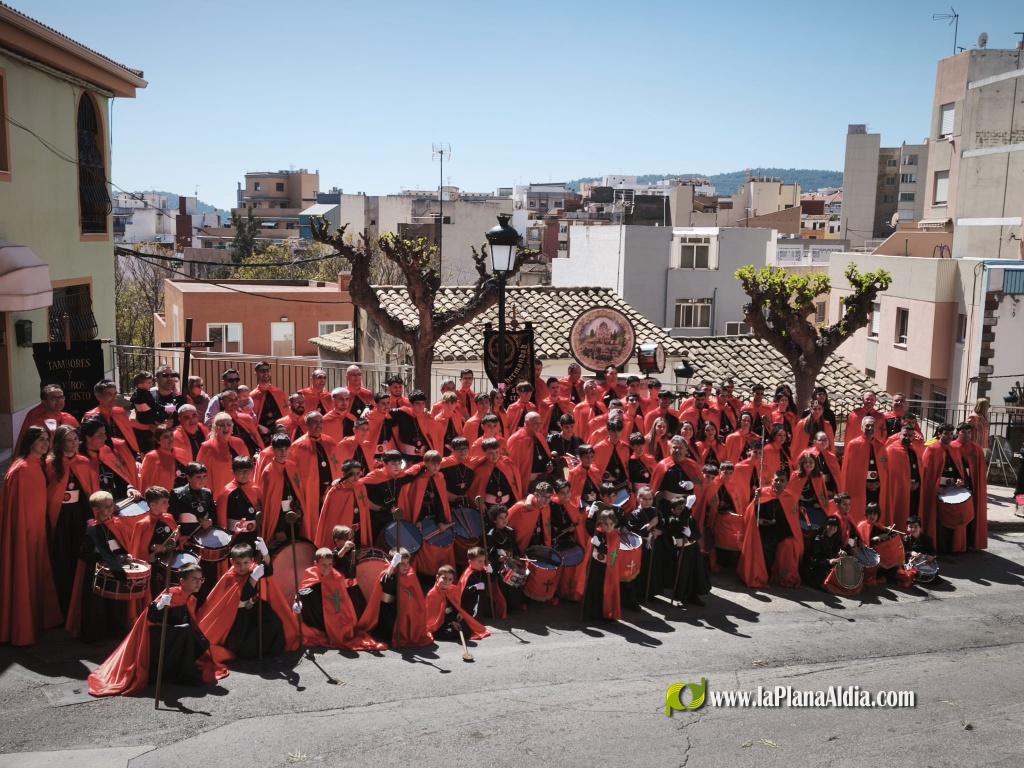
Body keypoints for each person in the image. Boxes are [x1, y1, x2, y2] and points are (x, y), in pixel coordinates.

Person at [87, 563, 227, 697]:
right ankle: (185, 674)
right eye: (194, 579)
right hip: (157, 637)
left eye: (200, 579)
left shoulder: (190, 599)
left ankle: (180, 669)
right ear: (182, 581)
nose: (199, 583)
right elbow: (152, 617)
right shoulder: (171, 593)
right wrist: (159, 606)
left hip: (173, 635)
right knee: (186, 631)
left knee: (197, 638)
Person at [1, 426, 62, 646]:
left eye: (47, 439)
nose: (45, 443)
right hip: (25, 535)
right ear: (30, 442)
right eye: (40, 439)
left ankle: (35, 621)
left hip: (35, 532)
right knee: (24, 574)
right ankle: (22, 628)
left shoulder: (35, 465)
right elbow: (19, 513)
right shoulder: (23, 470)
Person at [198, 542, 297, 661]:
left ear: (252, 560)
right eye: (238, 563)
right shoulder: (230, 577)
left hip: (255, 607)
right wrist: (253, 579)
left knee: (273, 622)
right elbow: (243, 597)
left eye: (246, 563)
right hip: (239, 614)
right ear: (231, 561)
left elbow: (269, 571)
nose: (242, 567)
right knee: (243, 645)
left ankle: (271, 652)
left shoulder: (254, 568)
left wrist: (265, 554)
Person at [64, 491, 134, 641]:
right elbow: (83, 552)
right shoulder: (90, 529)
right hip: (95, 570)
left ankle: (116, 631)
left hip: (114, 568)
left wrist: (124, 556)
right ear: (96, 509)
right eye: (106, 507)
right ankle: (95, 636)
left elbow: (122, 545)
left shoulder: (117, 524)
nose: (111, 509)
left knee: (116, 604)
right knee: (95, 606)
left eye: (111, 506)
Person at [46, 424, 94, 614]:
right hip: (60, 517)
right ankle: (61, 604)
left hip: (78, 515)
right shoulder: (51, 463)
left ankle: (77, 604)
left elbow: (90, 491)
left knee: (77, 558)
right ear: (59, 442)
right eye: (69, 440)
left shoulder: (83, 462)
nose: (74, 443)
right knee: (60, 558)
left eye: (76, 439)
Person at [737, 470, 801, 589]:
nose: (778, 483)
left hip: (781, 530)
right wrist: (756, 501)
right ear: (772, 481)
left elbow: (792, 521)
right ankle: (763, 575)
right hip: (763, 529)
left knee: (790, 544)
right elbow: (750, 512)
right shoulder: (763, 493)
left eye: (782, 481)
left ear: (786, 483)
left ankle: (781, 576)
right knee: (766, 546)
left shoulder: (790, 498)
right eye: (776, 480)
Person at [360, 548, 431, 648]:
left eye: (408, 563)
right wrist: (392, 566)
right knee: (387, 634)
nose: (406, 566)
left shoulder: (410, 575)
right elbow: (385, 581)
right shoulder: (389, 574)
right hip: (388, 612)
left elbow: (416, 597)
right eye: (402, 564)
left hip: (402, 612)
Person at [400, 451, 455, 578]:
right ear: (426, 464)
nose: (436, 467)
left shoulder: (440, 478)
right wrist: (418, 520)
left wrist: (441, 521)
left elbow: (441, 502)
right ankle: (422, 574)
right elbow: (416, 502)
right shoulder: (418, 480)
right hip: (422, 519)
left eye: (438, 464)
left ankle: (439, 573)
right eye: (432, 464)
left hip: (436, 518)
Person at [170, 463, 218, 603]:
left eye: (204, 477)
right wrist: (179, 537)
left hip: (203, 544)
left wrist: (210, 521)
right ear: (188, 478)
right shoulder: (177, 494)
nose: (202, 480)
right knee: (189, 579)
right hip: (186, 544)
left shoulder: (208, 493)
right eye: (198, 477)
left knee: (205, 578)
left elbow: (214, 517)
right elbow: (171, 519)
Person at [921, 424, 971, 554]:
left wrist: (960, 480)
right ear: (939, 434)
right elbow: (927, 475)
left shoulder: (954, 449)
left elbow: (958, 470)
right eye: (946, 434)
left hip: (952, 490)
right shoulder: (931, 450)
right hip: (938, 491)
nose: (949, 436)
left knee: (952, 520)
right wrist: (935, 488)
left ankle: (951, 548)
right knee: (938, 522)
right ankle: (939, 548)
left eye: (950, 434)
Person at [656, 495, 710, 607]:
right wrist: (687, 509)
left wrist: (691, 535)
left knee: (695, 572)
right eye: (679, 508)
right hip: (681, 551)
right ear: (673, 510)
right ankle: (680, 597)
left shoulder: (690, 519)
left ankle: (693, 596)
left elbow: (698, 534)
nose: (683, 510)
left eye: (683, 507)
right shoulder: (672, 520)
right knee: (682, 574)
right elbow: (678, 524)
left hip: (693, 549)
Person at [841, 416, 890, 527]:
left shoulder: (881, 446)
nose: (870, 428)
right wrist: (864, 483)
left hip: (877, 489)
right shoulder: (853, 445)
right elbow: (850, 472)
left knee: (876, 514)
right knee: (860, 515)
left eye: (872, 425)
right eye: (867, 425)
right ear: (861, 427)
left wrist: (880, 482)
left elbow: (884, 471)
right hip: (859, 490)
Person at [259, 434, 307, 546]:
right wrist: (278, 528)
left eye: (286, 449)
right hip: (279, 520)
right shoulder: (269, 471)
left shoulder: (292, 466)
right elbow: (271, 504)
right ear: (273, 450)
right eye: (279, 449)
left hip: (295, 516)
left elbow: (298, 492)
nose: (283, 452)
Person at [425, 564, 490, 642]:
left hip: (453, 618)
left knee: (467, 629)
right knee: (449, 633)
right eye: (444, 578)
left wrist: (459, 613)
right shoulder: (432, 594)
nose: (447, 582)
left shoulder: (452, 589)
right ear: (437, 577)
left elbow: (457, 605)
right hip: (441, 624)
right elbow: (433, 618)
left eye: (450, 579)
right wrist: (451, 623)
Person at [316, 461, 372, 548]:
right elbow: (331, 517)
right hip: (343, 530)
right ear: (344, 474)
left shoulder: (361, 487)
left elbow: (364, 508)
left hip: (359, 528)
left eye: (358, 474)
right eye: (352, 474)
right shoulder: (336, 490)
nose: (356, 477)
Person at [580, 508, 622, 622]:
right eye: (605, 524)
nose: (608, 527)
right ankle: (589, 613)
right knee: (593, 588)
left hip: (606, 568)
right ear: (601, 523)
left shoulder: (615, 537)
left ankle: (603, 613)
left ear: (614, 523)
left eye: (611, 524)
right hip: (595, 565)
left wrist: (598, 544)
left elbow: (608, 550)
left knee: (603, 590)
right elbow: (589, 528)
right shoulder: (598, 532)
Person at [886, 421, 926, 532]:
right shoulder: (892, 450)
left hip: (914, 490)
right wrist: (905, 484)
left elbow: (918, 469)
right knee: (900, 514)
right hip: (899, 492)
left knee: (913, 514)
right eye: (905, 435)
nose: (907, 437)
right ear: (900, 434)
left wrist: (918, 482)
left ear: (913, 436)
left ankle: (912, 537)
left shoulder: (914, 450)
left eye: (910, 435)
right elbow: (893, 474)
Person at [954, 422, 988, 550]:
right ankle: (959, 542)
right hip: (957, 486)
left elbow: (980, 470)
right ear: (958, 432)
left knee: (972, 512)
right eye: (964, 432)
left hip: (972, 485)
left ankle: (971, 541)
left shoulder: (976, 448)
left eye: (969, 433)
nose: (967, 435)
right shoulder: (953, 447)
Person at [86, 379, 141, 456]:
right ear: (99, 397)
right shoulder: (91, 417)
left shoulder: (120, 412)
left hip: (126, 456)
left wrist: (136, 455)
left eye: (115, 394)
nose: (114, 397)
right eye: (109, 394)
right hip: (105, 458)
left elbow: (129, 435)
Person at [800, 517, 855, 593]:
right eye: (830, 525)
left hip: (829, 567)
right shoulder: (818, 539)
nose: (833, 528)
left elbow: (840, 550)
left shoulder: (837, 540)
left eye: (835, 526)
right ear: (826, 526)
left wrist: (841, 552)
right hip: (816, 568)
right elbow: (815, 560)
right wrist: (829, 561)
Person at [486, 505, 524, 613]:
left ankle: (516, 605)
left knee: (516, 580)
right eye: (501, 518)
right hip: (499, 564)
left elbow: (515, 546)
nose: (504, 520)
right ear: (494, 520)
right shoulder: (491, 534)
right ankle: (505, 606)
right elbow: (490, 551)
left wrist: (517, 557)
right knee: (504, 585)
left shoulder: (510, 531)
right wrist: (499, 558)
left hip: (511, 561)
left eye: (506, 517)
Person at [507, 411, 553, 493]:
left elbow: (547, 456)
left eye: (540, 423)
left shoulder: (540, 436)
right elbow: (513, 465)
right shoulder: (516, 439)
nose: (539, 426)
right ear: (526, 423)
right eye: (535, 423)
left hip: (544, 479)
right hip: (527, 481)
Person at [470, 438, 523, 507]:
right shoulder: (480, 469)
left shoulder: (507, 464)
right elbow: (475, 491)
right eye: (491, 453)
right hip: (489, 506)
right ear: (484, 452)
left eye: (497, 452)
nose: (495, 456)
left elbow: (514, 486)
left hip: (508, 504)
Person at [215, 456, 260, 532]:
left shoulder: (256, 489)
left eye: (247, 471)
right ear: (233, 472)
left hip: (253, 532)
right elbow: (221, 518)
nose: (245, 474)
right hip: (233, 533)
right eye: (241, 471)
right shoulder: (227, 491)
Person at [140, 425, 187, 493]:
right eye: (166, 437)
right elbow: (145, 483)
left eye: (171, 435)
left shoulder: (181, 453)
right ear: (158, 441)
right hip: (160, 499)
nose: (170, 439)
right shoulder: (151, 457)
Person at [129, 370, 161, 453]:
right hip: (148, 423)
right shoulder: (146, 394)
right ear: (140, 384)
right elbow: (154, 406)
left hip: (141, 421)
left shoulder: (135, 394)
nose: (151, 384)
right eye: (149, 383)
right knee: (150, 447)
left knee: (143, 448)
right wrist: (165, 409)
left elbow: (132, 404)